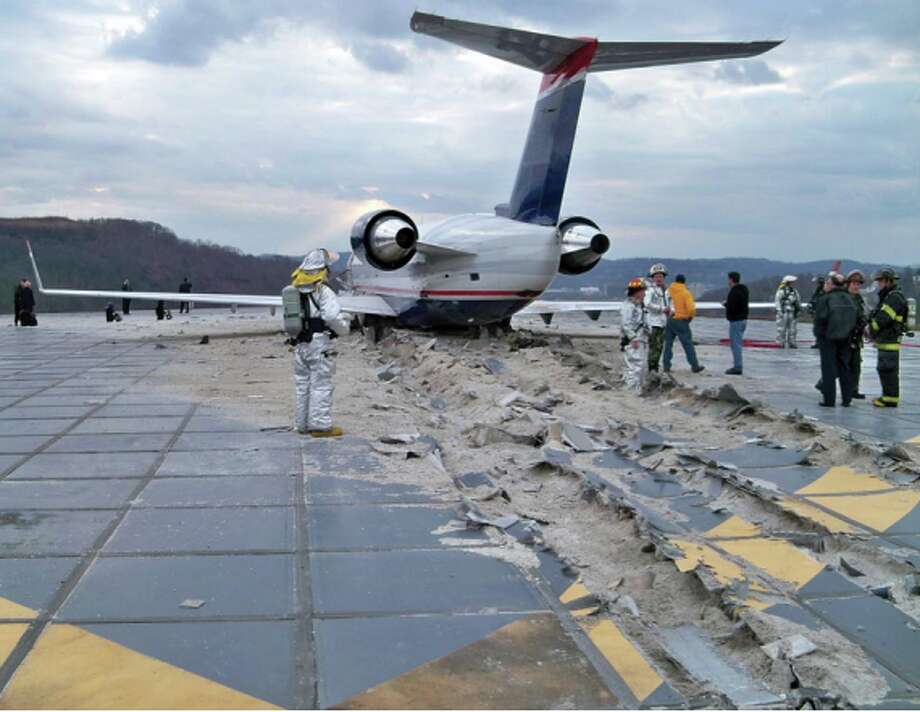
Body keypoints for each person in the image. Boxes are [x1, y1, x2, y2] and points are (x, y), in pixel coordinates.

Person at [289, 248, 350, 436]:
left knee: (302, 386)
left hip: (300, 344)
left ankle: (302, 425)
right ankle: (321, 426)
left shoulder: (293, 291)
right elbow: (332, 316)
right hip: (319, 343)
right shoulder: (323, 291)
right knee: (321, 385)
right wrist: (344, 329)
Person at [814, 272, 857, 407]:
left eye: (827, 283)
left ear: (831, 285)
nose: (825, 286)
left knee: (828, 369)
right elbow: (858, 317)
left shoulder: (825, 299)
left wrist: (819, 335)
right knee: (844, 368)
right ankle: (847, 398)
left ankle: (829, 399)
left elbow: (820, 319)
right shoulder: (850, 298)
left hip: (828, 338)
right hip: (846, 338)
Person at [868, 267, 909, 408]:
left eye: (880, 281)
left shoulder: (894, 297)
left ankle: (889, 399)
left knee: (887, 370)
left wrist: (870, 329)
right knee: (886, 370)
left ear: (887, 281)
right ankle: (888, 397)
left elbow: (883, 318)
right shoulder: (890, 296)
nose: (878, 284)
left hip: (889, 340)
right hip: (887, 340)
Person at [663, 274, 704, 374]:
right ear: (684, 282)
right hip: (681, 320)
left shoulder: (668, 291)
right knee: (688, 344)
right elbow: (691, 308)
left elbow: (665, 305)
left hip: (670, 319)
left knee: (668, 344)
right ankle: (694, 365)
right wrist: (690, 317)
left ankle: (666, 366)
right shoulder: (685, 293)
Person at [620, 278, 649, 393]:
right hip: (633, 340)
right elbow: (626, 324)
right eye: (643, 291)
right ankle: (631, 391)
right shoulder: (629, 306)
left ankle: (636, 389)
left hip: (640, 339)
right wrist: (633, 338)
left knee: (639, 365)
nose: (645, 293)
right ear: (637, 292)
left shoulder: (638, 306)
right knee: (635, 366)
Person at [643, 263, 671, 372]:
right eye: (657, 276)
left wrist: (670, 311)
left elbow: (669, 305)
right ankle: (652, 369)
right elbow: (647, 304)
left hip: (663, 322)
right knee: (654, 347)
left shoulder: (665, 291)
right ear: (653, 278)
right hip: (653, 323)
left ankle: (655, 367)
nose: (659, 278)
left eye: (661, 276)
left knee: (659, 347)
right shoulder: (650, 290)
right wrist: (661, 309)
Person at [846, 270, 868, 399]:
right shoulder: (843, 298)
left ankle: (853, 389)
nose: (856, 286)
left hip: (856, 338)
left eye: (858, 284)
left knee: (856, 365)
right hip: (845, 338)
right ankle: (823, 384)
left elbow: (862, 316)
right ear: (848, 284)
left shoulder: (859, 299)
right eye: (854, 283)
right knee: (840, 365)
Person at [724, 272, 748, 375]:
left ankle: (737, 367)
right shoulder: (744, 290)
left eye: (728, 279)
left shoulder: (734, 292)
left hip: (736, 321)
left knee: (736, 345)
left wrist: (726, 304)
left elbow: (733, 307)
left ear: (731, 280)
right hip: (743, 320)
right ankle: (737, 365)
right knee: (738, 343)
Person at [774, 275, 801, 348]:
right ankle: (780, 343)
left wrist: (798, 309)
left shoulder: (794, 291)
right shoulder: (781, 291)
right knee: (781, 328)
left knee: (793, 329)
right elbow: (777, 301)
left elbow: (798, 301)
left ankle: (792, 342)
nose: (792, 284)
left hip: (792, 312)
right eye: (791, 282)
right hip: (784, 312)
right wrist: (779, 310)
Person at [808, 275, 824, 348]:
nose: (816, 284)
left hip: (821, 313)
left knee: (821, 328)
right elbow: (813, 300)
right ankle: (818, 342)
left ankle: (821, 342)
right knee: (817, 328)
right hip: (816, 313)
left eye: (817, 283)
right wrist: (810, 307)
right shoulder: (817, 291)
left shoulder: (823, 292)